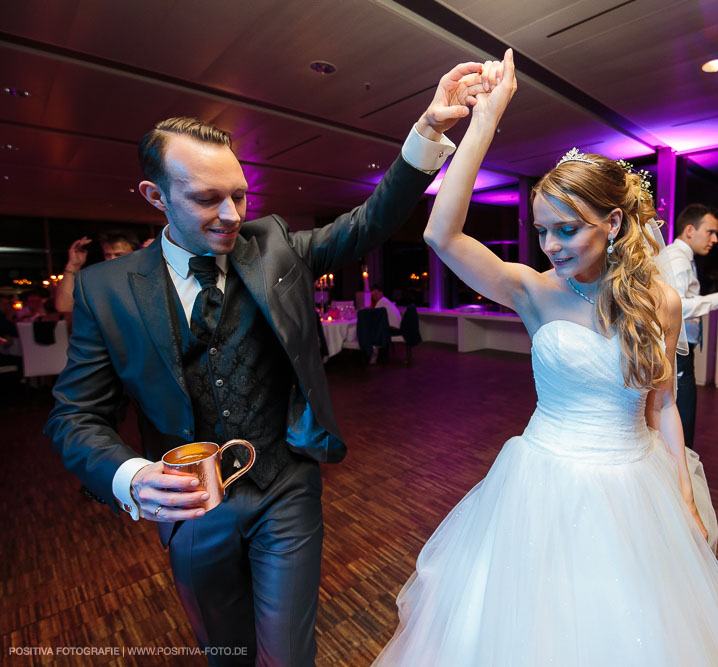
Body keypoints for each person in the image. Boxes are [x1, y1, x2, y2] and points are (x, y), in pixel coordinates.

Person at [44, 60, 490, 664]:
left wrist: (428, 131)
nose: (231, 214)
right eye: (206, 199)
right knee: (225, 650)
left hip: (285, 488)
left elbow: (371, 220)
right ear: (155, 195)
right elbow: (75, 416)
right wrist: (131, 477)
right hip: (193, 508)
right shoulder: (107, 289)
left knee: (285, 654)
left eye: (239, 194)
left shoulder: (273, 244)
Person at [375, 50, 718, 665]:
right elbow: (441, 236)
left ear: (614, 223)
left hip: (635, 482)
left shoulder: (660, 303)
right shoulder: (533, 292)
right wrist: (484, 121)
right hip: (543, 481)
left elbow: (663, 407)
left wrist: (686, 502)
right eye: (542, 231)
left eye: (568, 230)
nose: (551, 246)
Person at [653, 204, 718, 449]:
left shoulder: (682, 258)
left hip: (679, 350)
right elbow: (676, 307)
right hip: (676, 352)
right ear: (689, 230)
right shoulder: (678, 259)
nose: (715, 239)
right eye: (710, 232)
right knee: (681, 422)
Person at [54, 231, 143, 313]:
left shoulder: (145, 277)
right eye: (108, 255)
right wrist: (73, 265)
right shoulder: (100, 282)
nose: (112, 259)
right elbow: (64, 306)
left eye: (119, 254)